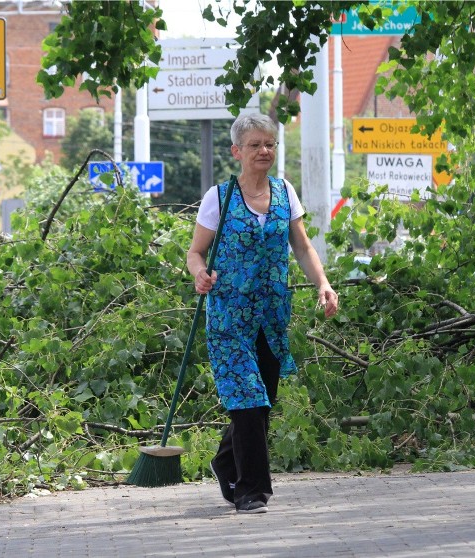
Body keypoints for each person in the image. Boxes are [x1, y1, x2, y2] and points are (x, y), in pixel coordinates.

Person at [186, 113, 338, 514]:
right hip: (229, 317)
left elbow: (302, 248)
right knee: (248, 398)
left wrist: (323, 284)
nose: (264, 151)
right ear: (237, 151)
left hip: (271, 316)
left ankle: (224, 462)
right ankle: (251, 491)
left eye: (269, 143)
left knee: (262, 399)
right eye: (255, 145)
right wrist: (200, 274)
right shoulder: (219, 198)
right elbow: (195, 252)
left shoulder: (285, 192)